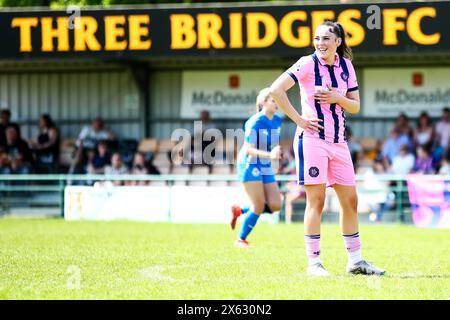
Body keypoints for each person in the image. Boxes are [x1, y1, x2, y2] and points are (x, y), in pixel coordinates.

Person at [269, 21, 385, 276]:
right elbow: (276, 90)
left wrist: (337, 98)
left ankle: (355, 262)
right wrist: (298, 119)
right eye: (317, 38)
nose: (320, 43)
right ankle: (314, 264)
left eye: (326, 39)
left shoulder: (346, 66)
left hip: (339, 142)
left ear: (338, 42)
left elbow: (354, 106)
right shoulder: (307, 63)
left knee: (351, 201)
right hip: (312, 141)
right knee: (317, 201)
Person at [229, 88, 283, 248]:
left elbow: (270, 142)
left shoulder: (277, 119)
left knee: (275, 205)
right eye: (273, 100)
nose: (277, 103)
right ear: (263, 103)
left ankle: (240, 210)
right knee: (258, 205)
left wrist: (276, 151)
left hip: (264, 161)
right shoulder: (255, 121)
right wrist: (270, 155)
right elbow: (248, 149)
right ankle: (240, 239)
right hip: (249, 162)